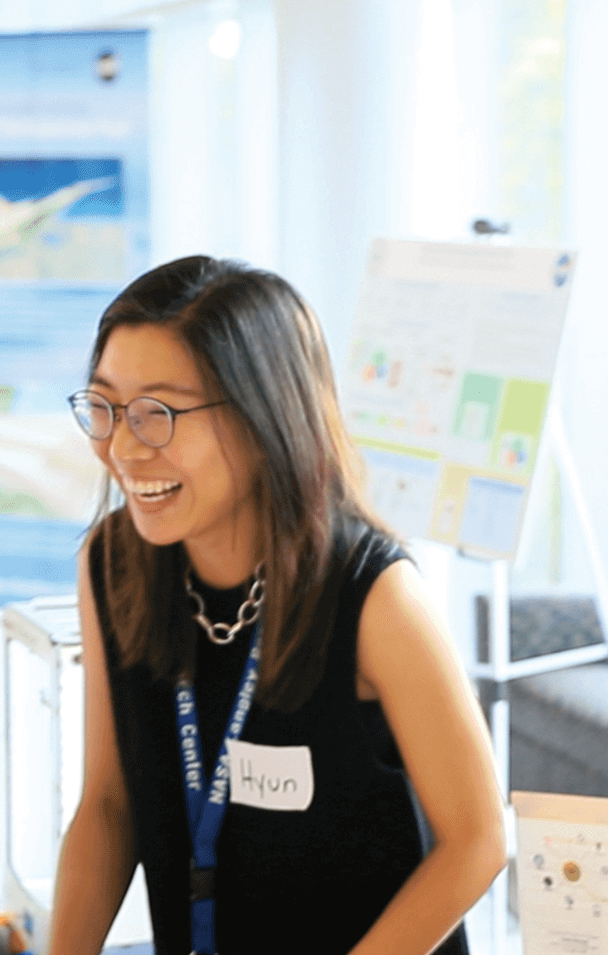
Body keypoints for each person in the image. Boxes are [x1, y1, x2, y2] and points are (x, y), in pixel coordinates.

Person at [49, 256, 506, 955]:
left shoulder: (375, 595)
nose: (122, 447)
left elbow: (477, 840)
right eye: (106, 406)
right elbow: (108, 807)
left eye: (158, 414)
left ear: (262, 416)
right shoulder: (111, 565)